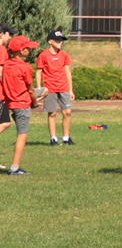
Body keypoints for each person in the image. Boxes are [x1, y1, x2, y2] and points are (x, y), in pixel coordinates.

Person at [1, 35, 35, 175]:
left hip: (10, 102)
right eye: (28, 48)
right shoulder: (25, 67)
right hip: (21, 103)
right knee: (22, 135)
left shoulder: (7, 64)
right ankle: (15, 168)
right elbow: (31, 89)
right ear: (21, 50)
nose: (30, 50)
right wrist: (35, 102)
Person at [36, 31, 75, 147]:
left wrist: (70, 90)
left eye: (62, 40)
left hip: (63, 87)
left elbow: (67, 73)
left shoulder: (64, 55)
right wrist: (40, 89)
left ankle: (66, 138)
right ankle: (53, 138)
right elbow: (39, 72)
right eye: (58, 40)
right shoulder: (43, 55)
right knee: (52, 113)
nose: (61, 42)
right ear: (50, 42)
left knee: (67, 112)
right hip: (50, 88)